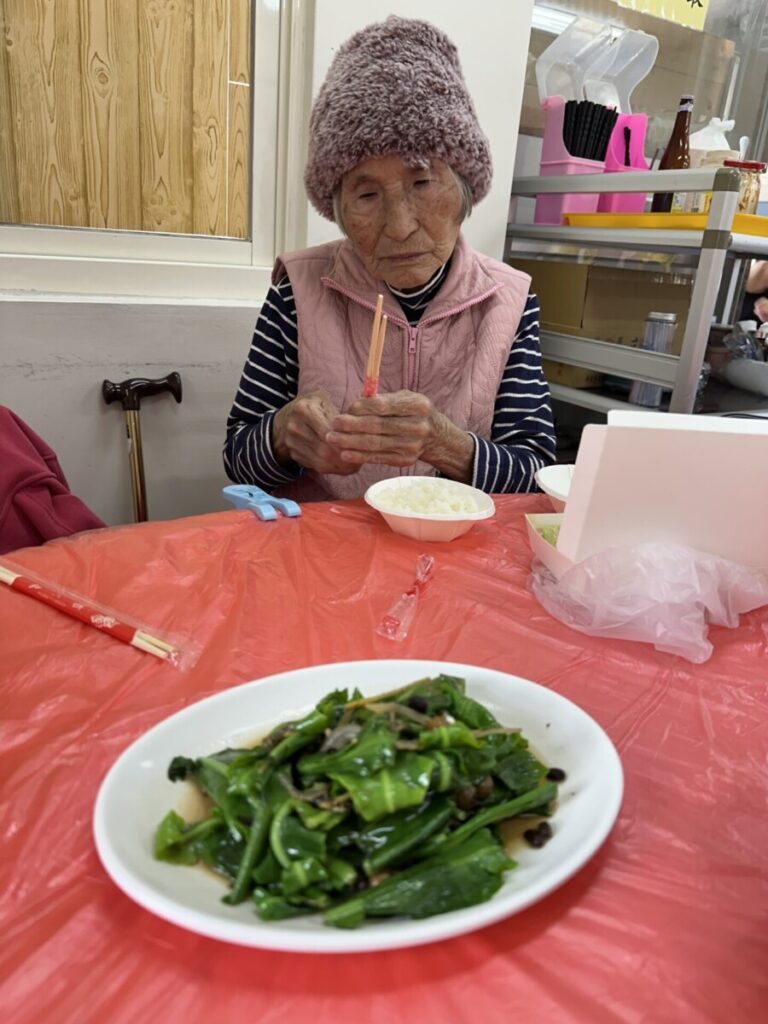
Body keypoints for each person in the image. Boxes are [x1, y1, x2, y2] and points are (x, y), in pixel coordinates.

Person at [224, 16, 555, 501]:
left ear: (464, 188)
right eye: (366, 195)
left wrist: (449, 446)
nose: (399, 226)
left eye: (422, 183)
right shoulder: (297, 288)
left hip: (450, 540)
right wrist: (282, 434)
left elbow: (538, 473)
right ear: (338, 208)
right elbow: (236, 456)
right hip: (322, 539)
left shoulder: (508, 301)